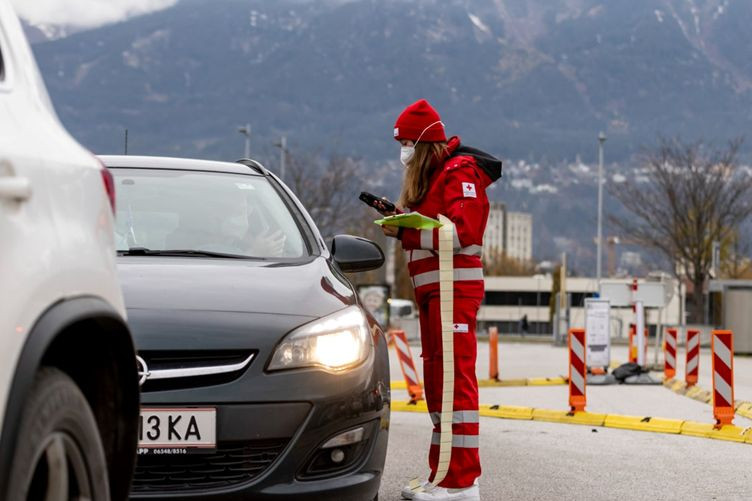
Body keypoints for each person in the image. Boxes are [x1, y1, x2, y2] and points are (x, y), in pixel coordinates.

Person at [381, 99, 501, 501]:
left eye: (406, 143)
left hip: (453, 292)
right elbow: (440, 228)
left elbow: (463, 233)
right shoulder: (434, 177)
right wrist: (402, 218)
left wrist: (407, 233)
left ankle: (461, 483)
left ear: (423, 142)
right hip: (433, 293)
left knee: (455, 384)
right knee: (438, 383)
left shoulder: (459, 171)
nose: (403, 152)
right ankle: (442, 474)